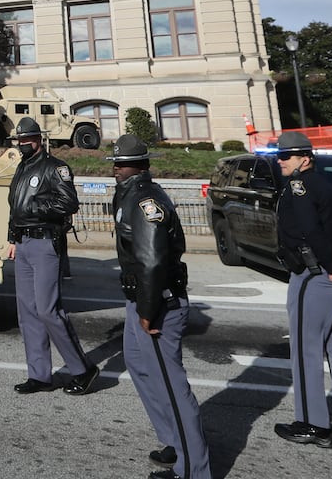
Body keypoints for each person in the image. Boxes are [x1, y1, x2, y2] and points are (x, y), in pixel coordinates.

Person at [111, 133, 212, 479]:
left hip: (156, 304)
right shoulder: (129, 194)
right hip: (140, 298)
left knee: (171, 385)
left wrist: (147, 311)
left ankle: (193, 471)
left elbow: (153, 261)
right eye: (115, 163)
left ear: (140, 165)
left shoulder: (145, 201)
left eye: (122, 164)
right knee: (139, 365)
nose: (116, 169)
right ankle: (173, 440)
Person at [272, 130, 332, 451]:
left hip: (316, 274)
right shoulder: (328, 187)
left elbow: (310, 229)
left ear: (305, 158)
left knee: (305, 350)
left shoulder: (299, 186)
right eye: (279, 156)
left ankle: (313, 424)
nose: (281, 162)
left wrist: (328, 269)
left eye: (286, 156)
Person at [7, 116, 98, 395]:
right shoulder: (21, 169)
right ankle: (40, 375)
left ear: (39, 140)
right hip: (23, 244)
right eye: (20, 140)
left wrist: (36, 206)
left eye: (27, 140)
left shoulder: (55, 168)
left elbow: (69, 201)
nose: (23, 144)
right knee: (28, 313)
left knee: (48, 310)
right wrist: (11, 238)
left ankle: (83, 369)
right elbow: (15, 208)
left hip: (45, 243)